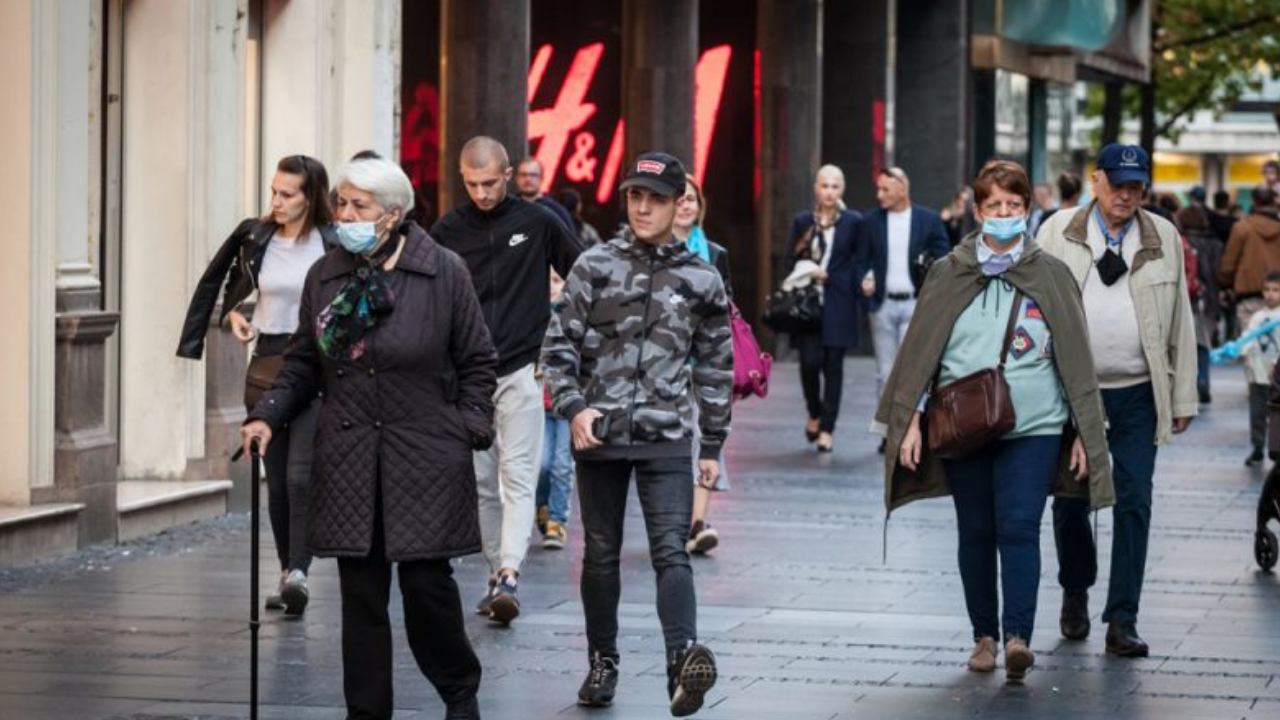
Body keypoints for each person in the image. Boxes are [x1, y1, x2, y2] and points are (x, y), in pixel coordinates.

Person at [239, 158, 496, 720]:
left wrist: (469, 427)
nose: (345, 215)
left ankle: (459, 690)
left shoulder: (444, 271)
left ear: (393, 215)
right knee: (361, 599)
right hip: (352, 455)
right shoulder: (326, 275)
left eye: (359, 206)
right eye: (342, 204)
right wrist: (268, 415)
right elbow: (303, 362)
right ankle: (367, 712)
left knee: (429, 591)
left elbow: (478, 361)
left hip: (426, 455)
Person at [874, 159, 1112, 682]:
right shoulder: (948, 272)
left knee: (1020, 527)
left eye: (1014, 206)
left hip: (1037, 424)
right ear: (977, 211)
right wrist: (910, 421)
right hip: (963, 423)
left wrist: (1080, 431)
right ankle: (983, 635)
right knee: (976, 530)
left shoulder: (1051, 273)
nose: (1005, 215)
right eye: (994, 207)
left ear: (1027, 210)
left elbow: (1075, 357)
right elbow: (920, 354)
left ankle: (1017, 638)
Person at [542, 152, 731, 716]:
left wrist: (714, 444)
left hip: (667, 436)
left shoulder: (702, 278)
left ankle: (682, 662)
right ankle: (603, 662)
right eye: (635, 197)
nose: (643, 207)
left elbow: (717, 365)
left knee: (671, 551)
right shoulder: (594, 264)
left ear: (680, 206)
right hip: (597, 436)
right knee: (599, 555)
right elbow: (556, 348)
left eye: (656, 198)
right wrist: (574, 408)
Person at [1037, 143, 1199, 658]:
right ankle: (1075, 589)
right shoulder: (1057, 231)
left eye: (1137, 186)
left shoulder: (1163, 235)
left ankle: (1123, 618)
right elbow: (1035, 308)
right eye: (1119, 183)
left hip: (1136, 394)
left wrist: (1181, 395)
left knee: (1135, 501)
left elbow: (1180, 319)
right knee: (1069, 500)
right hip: (1071, 393)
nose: (1128, 194)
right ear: (1096, 181)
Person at [431, 137, 583, 624]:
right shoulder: (447, 230)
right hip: (466, 376)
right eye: (472, 184)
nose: (481, 193)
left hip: (522, 366)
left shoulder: (538, 222)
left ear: (509, 173)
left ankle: (511, 574)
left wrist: (561, 347)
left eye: (490, 183)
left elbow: (582, 280)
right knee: (481, 483)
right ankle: (498, 574)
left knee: (519, 475)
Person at [177, 154, 336, 617]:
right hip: (267, 362)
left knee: (301, 476)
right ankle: (288, 570)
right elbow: (228, 281)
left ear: (311, 198)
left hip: (316, 364)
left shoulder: (332, 242)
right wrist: (233, 314)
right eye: (274, 191)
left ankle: (301, 573)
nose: (277, 202)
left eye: (288, 194)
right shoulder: (257, 235)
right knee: (277, 482)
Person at [860, 166, 952, 451]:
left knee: (912, 370)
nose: (880, 195)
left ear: (902, 188)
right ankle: (888, 429)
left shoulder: (929, 219)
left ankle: (908, 428)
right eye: (878, 189)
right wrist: (864, 277)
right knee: (885, 372)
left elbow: (944, 257)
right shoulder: (871, 221)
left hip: (915, 304)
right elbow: (861, 260)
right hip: (883, 305)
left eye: (886, 189)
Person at [673, 175, 733, 554]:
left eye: (691, 199)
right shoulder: (651, 252)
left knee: (707, 438)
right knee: (676, 442)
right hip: (666, 364)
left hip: (705, 361)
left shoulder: (714, 252)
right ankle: (680, 521)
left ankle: (698, 521)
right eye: (679, 199)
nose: (685, 205)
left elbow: (727, 309)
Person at [785, 165, 863, 453]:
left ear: (842, 190)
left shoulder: (853, 222)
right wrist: (806, 271)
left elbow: (860, 261)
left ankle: (827, 428)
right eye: (824, 186)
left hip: (839, 302)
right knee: (809, 363)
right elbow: (789, 259)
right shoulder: (802, 221)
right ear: (815, 188)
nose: (829, 192)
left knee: (833, 367)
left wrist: (837, 278)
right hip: (808, 305)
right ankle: (815, 413)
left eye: (835, 186)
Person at [535, 269, 575, 550]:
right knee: (542, 464)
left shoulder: (573, 316)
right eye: (546, 280)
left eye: (557, 281)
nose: (552, 287)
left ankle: (557, 521)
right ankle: (543, 507)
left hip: (567, 404)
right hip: (540, 403)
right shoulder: (532, 315)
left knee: (562, 464)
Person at [1177, 193, 1224, 403]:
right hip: (1208, 300)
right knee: (1203, 342)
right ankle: (1203, 380)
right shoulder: (1215, 244)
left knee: (1184, 344)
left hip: (1184, 299)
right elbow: (1220, 273)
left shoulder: (1179, 241)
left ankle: (1187, 387)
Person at [1219, 187, 1280, 334]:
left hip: (1248, 295)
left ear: (1253, 202)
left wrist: (1225, 285)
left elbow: (1228, 265)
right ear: (1273, 202)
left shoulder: (1242, 228)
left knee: (1249, 345)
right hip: (1278, 293)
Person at [1241, 272, 1280, 466]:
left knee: (1276, 417)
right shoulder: (1258, 316)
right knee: (1256, 414)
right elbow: (1248, 338)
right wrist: (1242, 351)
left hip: (1277, 378)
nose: (1270, 294)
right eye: (1266, 290)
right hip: (1258, 373)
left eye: (1275, 290)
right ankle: (1257, 447)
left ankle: (1275, 451)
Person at [515, 156, 576, 231]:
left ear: (542, 178)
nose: (528, 179)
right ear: (517, 178)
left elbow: (571, 240)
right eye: (523, 175)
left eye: (533, 175)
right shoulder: (507, 208)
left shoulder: (557, 211)